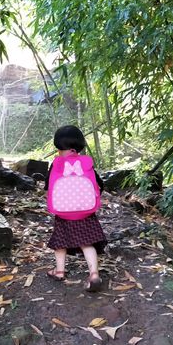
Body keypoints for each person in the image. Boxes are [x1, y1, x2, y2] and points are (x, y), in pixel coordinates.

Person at [44, 125, 106, 292]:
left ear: (59, 147)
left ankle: (59, 271)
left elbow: (47, 185)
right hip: (85, 213)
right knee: (87, 244)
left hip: (63, 213)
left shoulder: (57, 164)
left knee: (60, 244)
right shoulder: (86, 163)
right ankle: (94, 274)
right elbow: (100, 184)